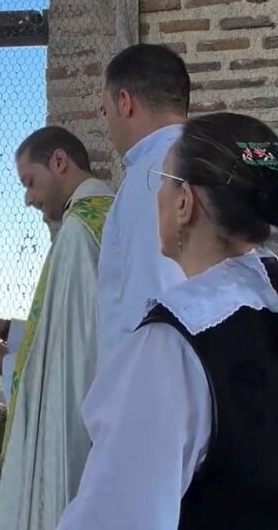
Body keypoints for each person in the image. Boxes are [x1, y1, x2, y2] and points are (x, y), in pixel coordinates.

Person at [58, 113, 278, 530]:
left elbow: (117, 517)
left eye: (163, 178)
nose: (157, 192)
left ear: (184, 202)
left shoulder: (174, 342)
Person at [0, 126, 114, 530]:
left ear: (59, 162)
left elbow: (74, 363)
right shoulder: (110, 216)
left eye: (30, 182)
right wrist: (5, 328)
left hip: (75, 441)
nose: (28, 198)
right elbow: (78, 331)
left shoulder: (79, 232)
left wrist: (2, 365)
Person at [96, 43, 189, 369]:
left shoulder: (151, 178)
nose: (107, 129)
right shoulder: (212, 158)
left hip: (160, 396)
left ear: (124, 102)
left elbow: (153, 313)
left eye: (105, 111)